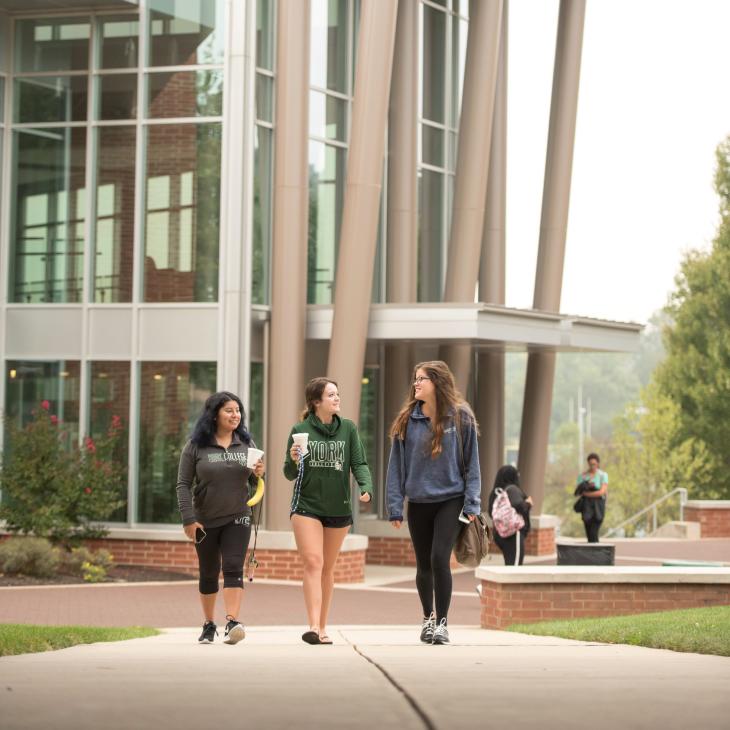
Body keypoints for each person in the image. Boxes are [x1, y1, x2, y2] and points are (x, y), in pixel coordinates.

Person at [386, 360, 481, 646]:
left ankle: (442, 623)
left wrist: (472, 503)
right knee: (423, 563)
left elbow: (472, 464)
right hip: (418, 501)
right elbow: (396, 467)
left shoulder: (461, 417)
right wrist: (394, 505)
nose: (415, 384)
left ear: (437, 383)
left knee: (440, 558)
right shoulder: (406, 420)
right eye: (415, 379)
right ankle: (427, 618)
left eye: (421, 379)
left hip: (450, 500)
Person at [284, 377, 373, 645]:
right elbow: (288, 474)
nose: (337, 398)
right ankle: (312, 626)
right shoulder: (300, 430)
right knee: (314, 561)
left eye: (337, 394)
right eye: (331, 395)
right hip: (306, 506)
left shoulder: (348, 428)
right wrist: (293, 458)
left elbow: (359, 462)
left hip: (338, 507)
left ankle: (322, 627)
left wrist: (365, 486)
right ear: (316, 402)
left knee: (327, 568)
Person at [176, 391, 264, 645]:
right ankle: (208, 624)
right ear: (214, 414)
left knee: (234, 567)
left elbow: (255, 482)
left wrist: (259, 473)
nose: (235, 415)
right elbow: (182, 484)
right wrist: (188, 520)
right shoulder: (195, 446)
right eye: (229, 410)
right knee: (208, 572)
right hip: (204, 520)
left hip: (238, 515)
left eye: (238, 410)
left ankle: (233, 622)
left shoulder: (246, 443)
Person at [488, 465, 532, 566]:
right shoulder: (513, 490)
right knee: (515, 568)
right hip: (513, 533)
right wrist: (529, 503)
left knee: (509, 564)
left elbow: (491, 513)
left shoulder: (496, 492)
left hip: (499, 533)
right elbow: (521, 507)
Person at [576, 452, 608, 543]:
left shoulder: (603, 475)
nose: (592, 466)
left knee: (594, 532)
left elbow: (602, 492)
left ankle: (596, 554)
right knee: (589, 534)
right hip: (587, 508)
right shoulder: (583, 476)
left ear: (598, 463)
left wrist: (587, 494)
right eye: (590, 464)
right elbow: (578, 492)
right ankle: (592, 554)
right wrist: (585, 486)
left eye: (594, 464)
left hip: (598, 507)